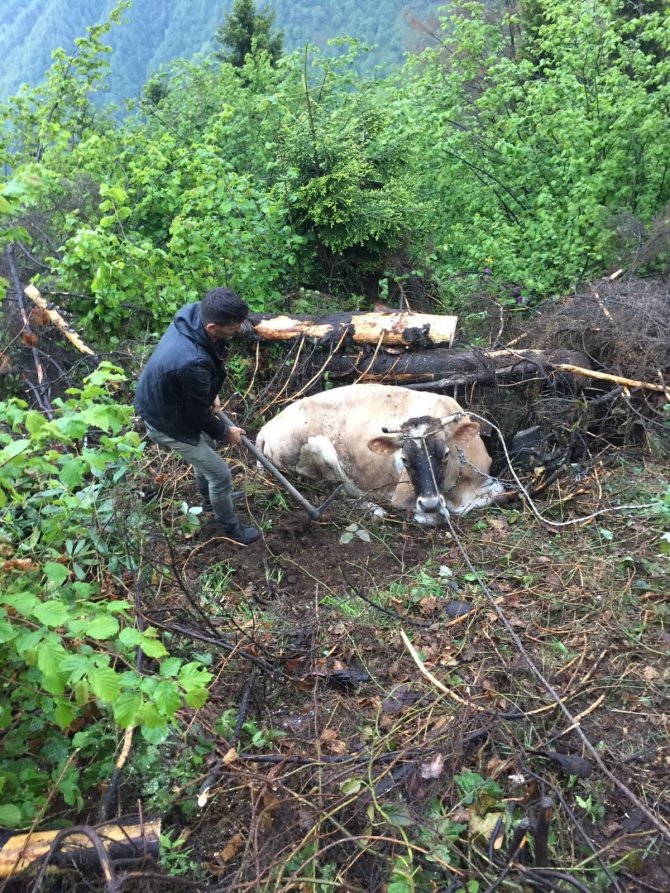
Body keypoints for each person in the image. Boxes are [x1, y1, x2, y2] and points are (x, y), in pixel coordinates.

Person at [135, 287, 262, 545]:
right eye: (233, 327)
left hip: (171, 398)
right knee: (220, 474)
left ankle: (209, 501)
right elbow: (197, 417)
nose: (239, 329)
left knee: (209, 446)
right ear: (213, 327)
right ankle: (231, 528)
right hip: (166, 421)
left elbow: (196, 392)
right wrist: (225, 432)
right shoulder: (192, 362)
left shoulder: (194, 313)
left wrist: (207, 393)